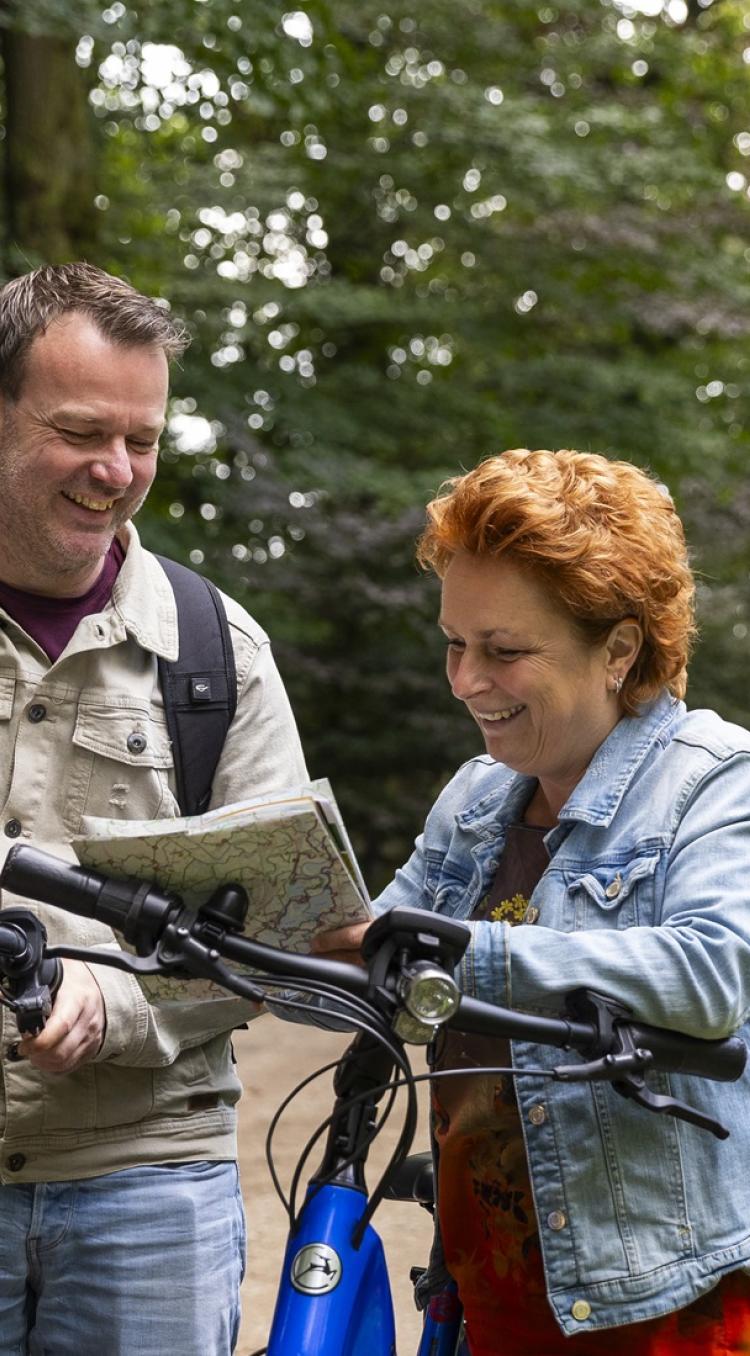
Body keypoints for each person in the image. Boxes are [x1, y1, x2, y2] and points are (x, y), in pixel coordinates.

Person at [315, 448, 750, 1354]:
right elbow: (367, 958)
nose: (465, 680)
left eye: (504, 651)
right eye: (455, 643)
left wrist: (456, 952)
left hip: (661, 1306)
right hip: (484, 1287)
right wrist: (245, 931)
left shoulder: (715, 781)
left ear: (619, 649)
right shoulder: (476, 798)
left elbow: (711, 976)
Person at [0, 263, 308, 1356]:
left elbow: (278, 933)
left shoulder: (219, 650)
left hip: (150, 1190)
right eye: (82, 432)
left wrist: (116, 1002)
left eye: (143, 440)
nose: (117, 470)